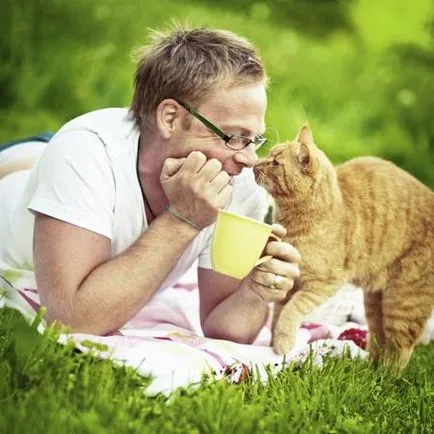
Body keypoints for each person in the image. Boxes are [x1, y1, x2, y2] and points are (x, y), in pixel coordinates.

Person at [0, 25, 301, 344]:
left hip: (88, 161)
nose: (251, 159)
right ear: (170, 118)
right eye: (234, 136)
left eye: (255, 139)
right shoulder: (82, 153)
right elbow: (72, 319)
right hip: (16, 169)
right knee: (40, 161)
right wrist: (182, 219)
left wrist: (255, 291)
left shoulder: (236, 178)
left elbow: (221, 326)